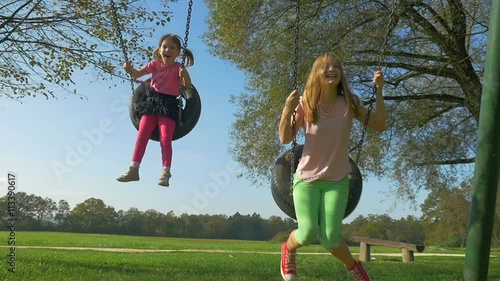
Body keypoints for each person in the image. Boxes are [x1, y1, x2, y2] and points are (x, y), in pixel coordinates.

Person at [278, 52, 386, 281]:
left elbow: (379, 124)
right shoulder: (306, 103)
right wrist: (288, 109)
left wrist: (378, 91)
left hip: (337, 181)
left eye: (336, 66)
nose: (332, 69)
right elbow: (286, 137)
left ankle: (355, 268)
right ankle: (288, 249)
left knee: (330, 238)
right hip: (306, 179)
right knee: (306, 234)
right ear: (316, 73)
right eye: (325, 66)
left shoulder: (349, 102)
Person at [116, 34, 194, 187]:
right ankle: (134, 169)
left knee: (165, 138)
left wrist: (185, 76)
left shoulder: (178, 68)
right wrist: (129, 69)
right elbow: (137, 74)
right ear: (160, 50)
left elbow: (188, 86)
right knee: (142, 135)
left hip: (169, 105)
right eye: (165, 47)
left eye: (172, 48)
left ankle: (166, 172)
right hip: (152, 102)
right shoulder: (154, 64)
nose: (168, 50)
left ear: (178, 53)